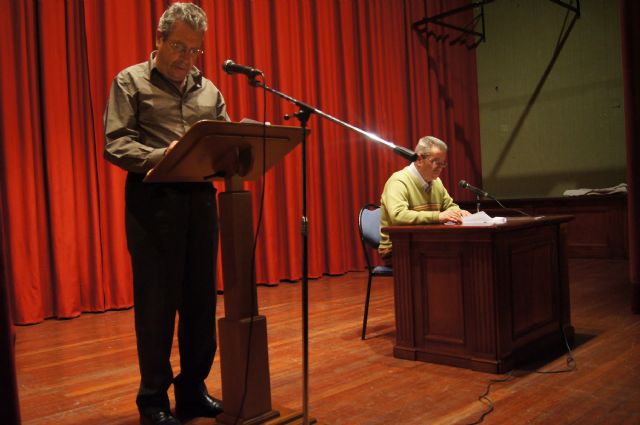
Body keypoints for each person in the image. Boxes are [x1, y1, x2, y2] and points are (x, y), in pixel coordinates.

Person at [103, 3, 228, 425]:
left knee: (200, 304)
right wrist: (166, 156)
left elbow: (225, 139)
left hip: (201, 203)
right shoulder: (130, 81)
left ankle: (192, 391)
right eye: (178, 46)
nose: (186, 58)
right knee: (156, 307)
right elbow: (116, 143)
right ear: (159, 39)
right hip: (153, 203)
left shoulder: (209, 90)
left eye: (195, 50)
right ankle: (153, 401)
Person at [379, 136, 471, 266]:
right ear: (419, 159)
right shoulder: (398, 181)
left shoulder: (436, 182)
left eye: (443, 163)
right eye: (436, 161)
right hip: (397, 249)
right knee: (454, 261)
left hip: (427, 243)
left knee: (466, 255)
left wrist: (459, 212)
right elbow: (398, 216)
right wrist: (437, 216)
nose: (440, 167)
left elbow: (449, 205)